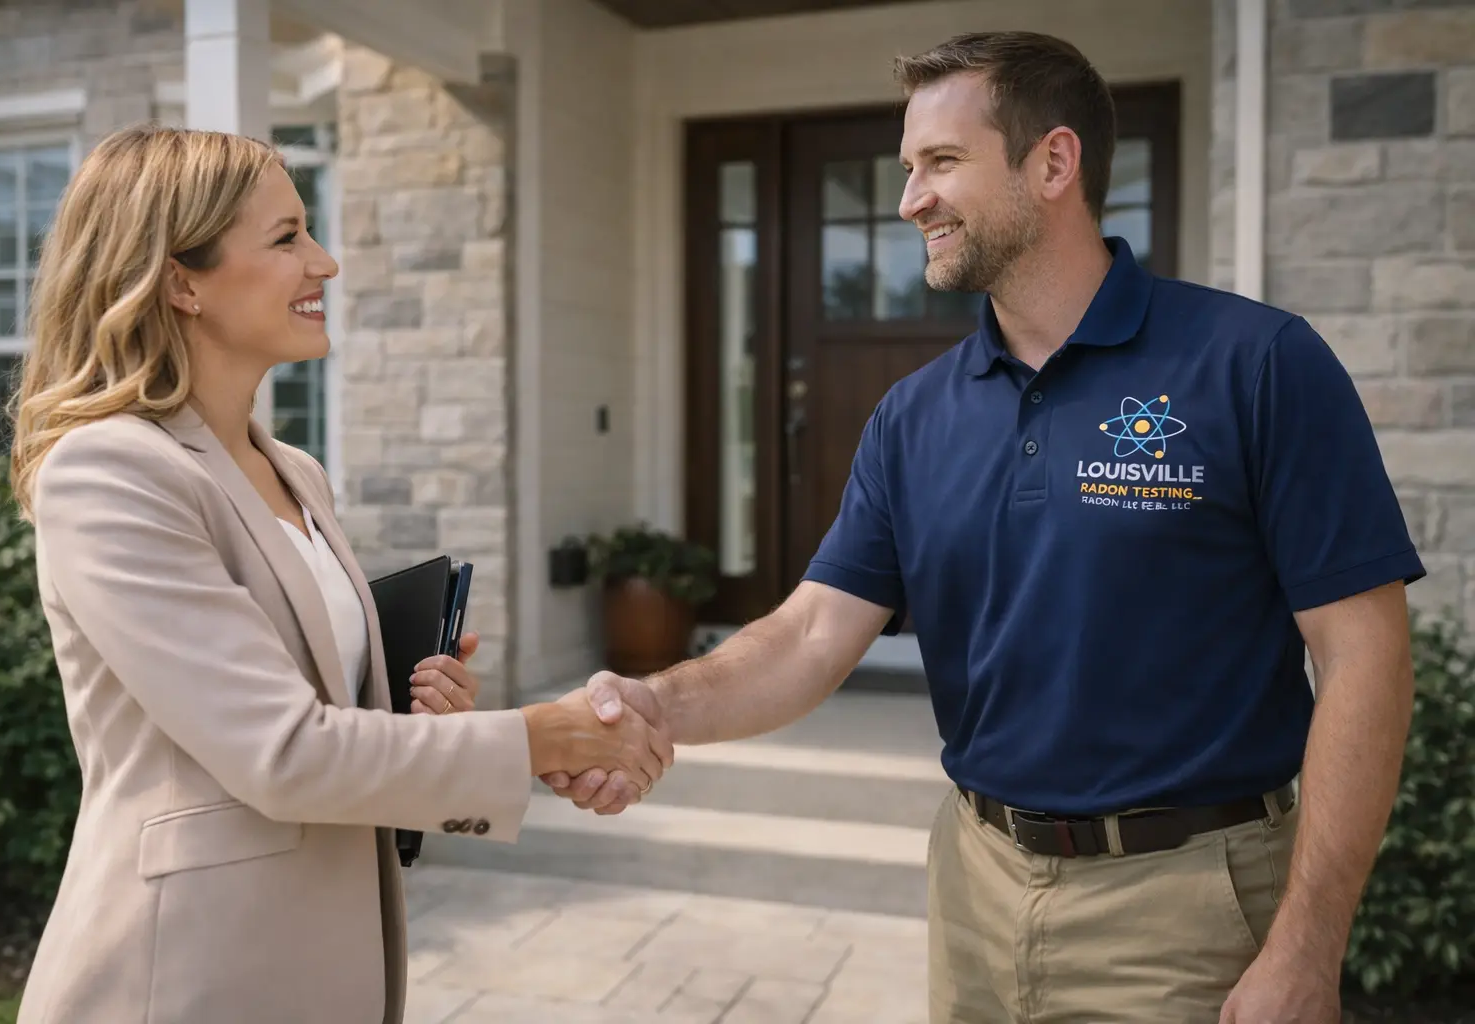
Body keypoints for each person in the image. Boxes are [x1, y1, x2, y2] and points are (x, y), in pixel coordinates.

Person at [544, 30, 1423, 1024]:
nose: (911, 197)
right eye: (908, 166)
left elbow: (1365, 659)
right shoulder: (916, 416)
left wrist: (1309, 945)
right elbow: (810, 633)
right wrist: (652, 707)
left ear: (1054, 162)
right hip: (974, 886)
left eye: (942, 163)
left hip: (1189, 906)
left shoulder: (1257, 363)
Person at [9, 123, 671, 1024]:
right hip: (186, 975)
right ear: (178, 279)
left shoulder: (295, 470)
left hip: (329, 962)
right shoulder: (111, 471)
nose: (324, 264)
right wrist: (546, 737)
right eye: (286, 239)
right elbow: (282, 753)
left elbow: (317, 725)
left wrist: (410, 715)